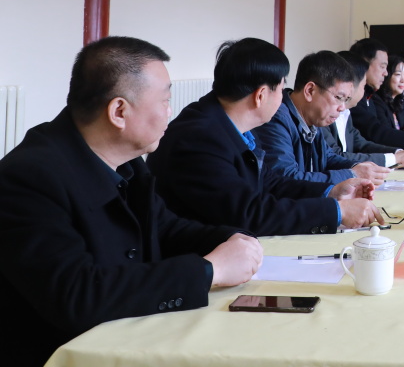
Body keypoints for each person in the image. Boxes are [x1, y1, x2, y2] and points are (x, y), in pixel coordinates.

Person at [0, 37, 262, 366]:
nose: (170, 112)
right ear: (119, 112)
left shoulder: (127, 162)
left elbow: (166, 229)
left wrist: (232, 239)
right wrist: (211, 270)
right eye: (165, 100)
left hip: (133, 339)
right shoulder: (29, 178)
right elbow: (77, 294)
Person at [148, 38, 382, 235]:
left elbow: (271, 182)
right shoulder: (199, 138)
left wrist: (331, 192)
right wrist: (336, 212)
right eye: (280, 89)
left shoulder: (234, 126)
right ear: (261, 95)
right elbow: (248, 213)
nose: (283, 98)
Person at [253, 50, 393, 187]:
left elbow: (328, 158)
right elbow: (286, 179)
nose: (342, 108)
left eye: (346, 100)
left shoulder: (312, 118)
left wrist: (358, 167)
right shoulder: (276, 119)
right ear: (310, 91)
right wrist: (352, 174)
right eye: (339, 97)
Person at [320, 50, 404, 168]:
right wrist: (395, 158)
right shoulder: (324, 113)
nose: (385, 73)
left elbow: (362, 145)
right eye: (363, 85)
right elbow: (336, 157)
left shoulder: (345, 112)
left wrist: (399, 153)